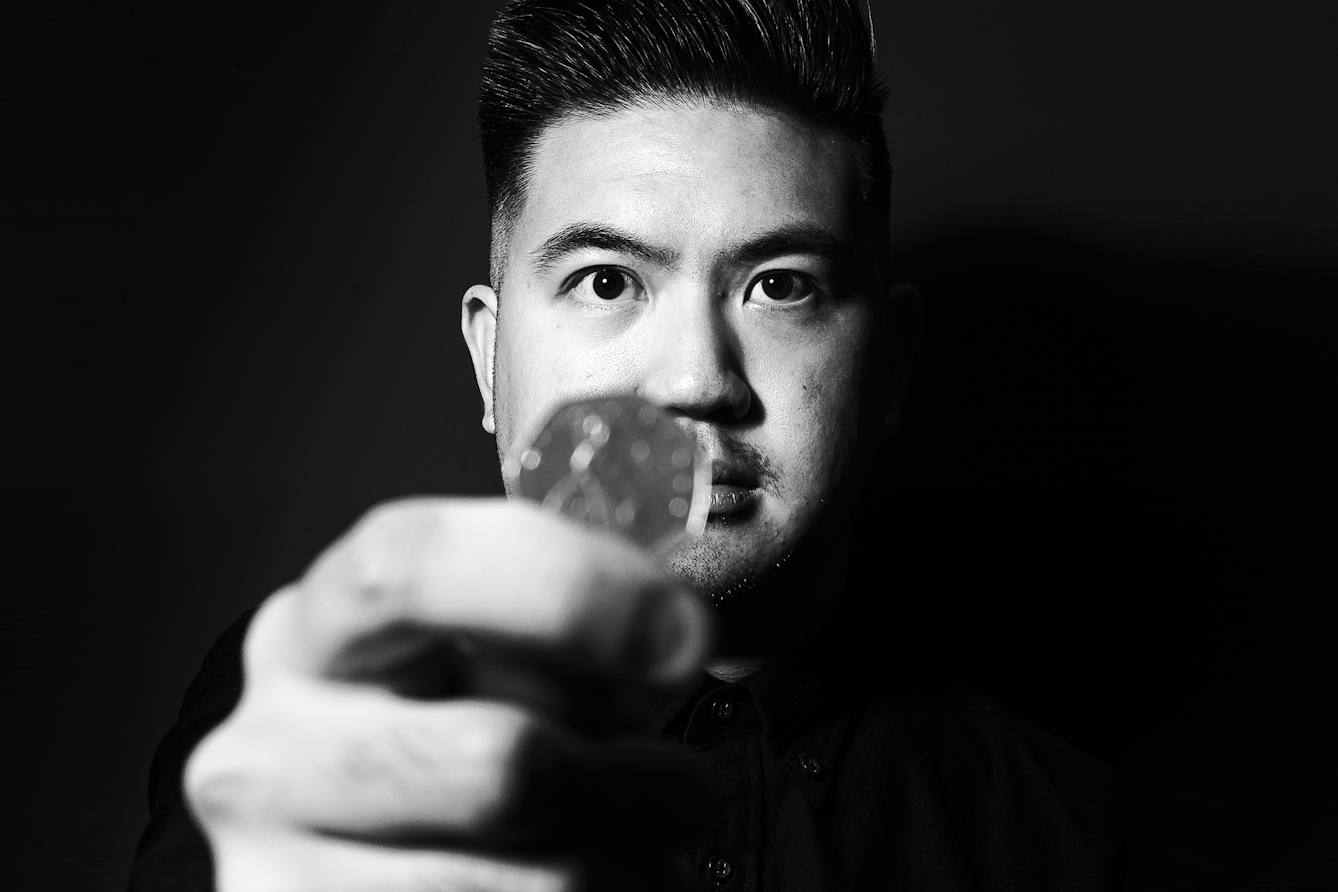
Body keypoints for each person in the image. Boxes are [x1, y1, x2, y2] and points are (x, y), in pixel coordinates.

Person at [127, 1, 1315, 890]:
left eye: (780, 284)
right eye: (605, 280)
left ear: (891, 366)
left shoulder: (1073, 831)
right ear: (491, 362)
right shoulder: (319, 705)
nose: (696, 378)